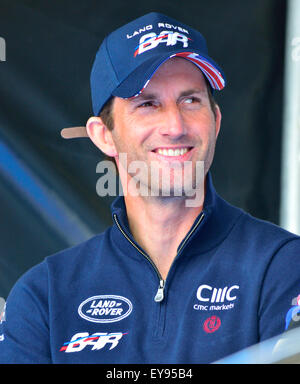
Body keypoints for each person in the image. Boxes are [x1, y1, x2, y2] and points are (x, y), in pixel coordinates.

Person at [0, 12, 300, 364]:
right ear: (104, 135)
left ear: (215, 121)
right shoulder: (45, 295)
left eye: (191, 101)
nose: (175, 125)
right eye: (147, 104)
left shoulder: (283, 265)